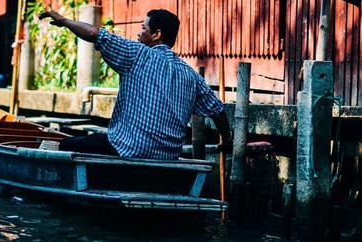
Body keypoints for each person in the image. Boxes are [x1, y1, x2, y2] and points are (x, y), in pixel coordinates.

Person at [39, 8, 232, 160]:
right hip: (167, 157)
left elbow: (95, 34)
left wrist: (63, 21)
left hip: (127, 148)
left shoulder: (137, 54)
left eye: (143, 29)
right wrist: (227, 142)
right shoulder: (192, 76)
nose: (138, 34)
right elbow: (218, 111)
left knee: (63, 146)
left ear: (156, 34)